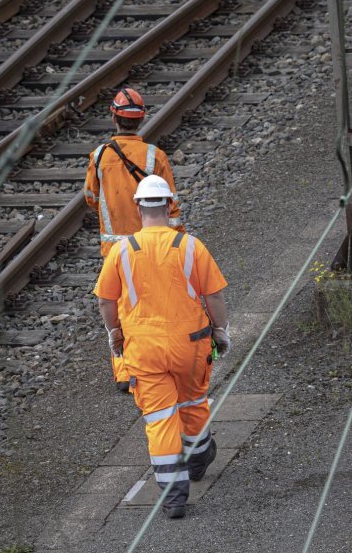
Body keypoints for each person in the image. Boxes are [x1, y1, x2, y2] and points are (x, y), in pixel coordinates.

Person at [93, 175, 231, 519]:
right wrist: (221, 330)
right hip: (191, 345)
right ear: (169, 206)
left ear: (138, 207)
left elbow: (106, 300)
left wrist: (114, 332)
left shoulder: (121, 251)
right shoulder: (190, 246)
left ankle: (173, 499)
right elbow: (213, 294)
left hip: (143, 349)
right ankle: (198, 458)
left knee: (159, 420)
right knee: (194, 402)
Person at [84, 87, 185, 391]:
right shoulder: (156, 155)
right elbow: (171, 205)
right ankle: (158, 362)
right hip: (153, 245)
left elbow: (90, 196)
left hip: (116, 249)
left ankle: (126, 372)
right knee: (153, 304)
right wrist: (176, 242)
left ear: (113, 116)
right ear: (141, 119)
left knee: (118, 309)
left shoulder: (99, 155)